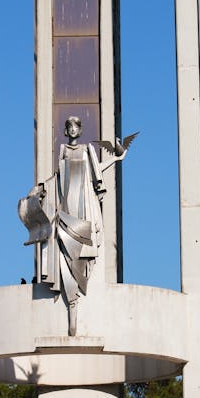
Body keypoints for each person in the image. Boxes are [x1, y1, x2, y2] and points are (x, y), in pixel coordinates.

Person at [19, 116, 131, 336]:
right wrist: (39, 188)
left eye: (75, 127)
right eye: (68, 127)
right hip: (65, 212)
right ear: (65, 130)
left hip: (83, 211)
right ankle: (72, 309)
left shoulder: (87, 150)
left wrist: (116, 160)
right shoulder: (62, 151)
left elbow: (95, 172)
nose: (72, 130)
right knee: (65, 259)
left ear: (79, 130)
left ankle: (74, 310)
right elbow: (56, 179)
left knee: (82, 259)